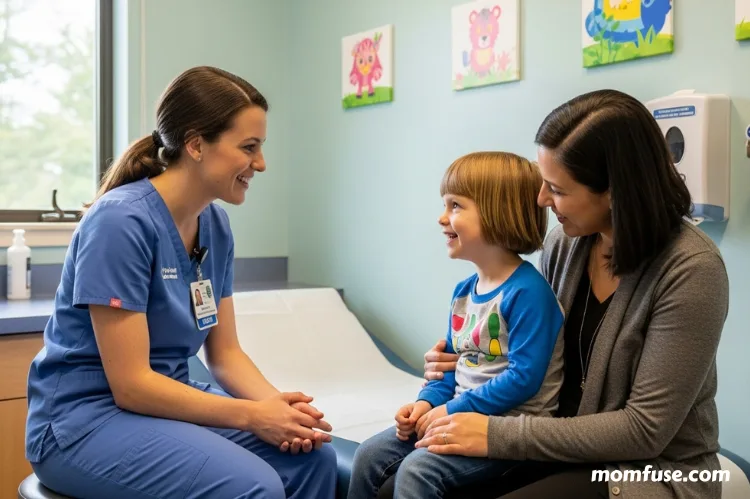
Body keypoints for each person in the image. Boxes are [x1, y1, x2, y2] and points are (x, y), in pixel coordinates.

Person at [25, 66, 337, 499]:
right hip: (86, 421)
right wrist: (250, 417)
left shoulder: (215, 224)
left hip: (166, 406)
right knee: (254, 486)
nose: (260, 164)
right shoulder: (121, 221)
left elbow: (225, 354)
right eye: (249, 147)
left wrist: (279, 409)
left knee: (312, 460)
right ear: (195, 144)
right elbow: (132, 384)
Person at [410, 89, 729, 499]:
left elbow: (644, 430)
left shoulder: (691, 270)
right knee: (394, 485)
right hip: (560, 450)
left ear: (614, 191)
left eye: (557, 189)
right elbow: (535, 356)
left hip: (651, 471)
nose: (542, 200)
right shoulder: (566, 244)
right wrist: (461, 362)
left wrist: (496, 435)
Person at [348, 152, 566, 499]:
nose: (441, 218)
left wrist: (450, 410)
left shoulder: (529, 293)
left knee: (419, 470)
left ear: (499, 213)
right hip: (456, 416)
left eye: (455, 206)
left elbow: (524, 378)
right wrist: (425, 404)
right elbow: (453, 366)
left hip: (509, 432)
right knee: (369, 454)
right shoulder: (464, 293)